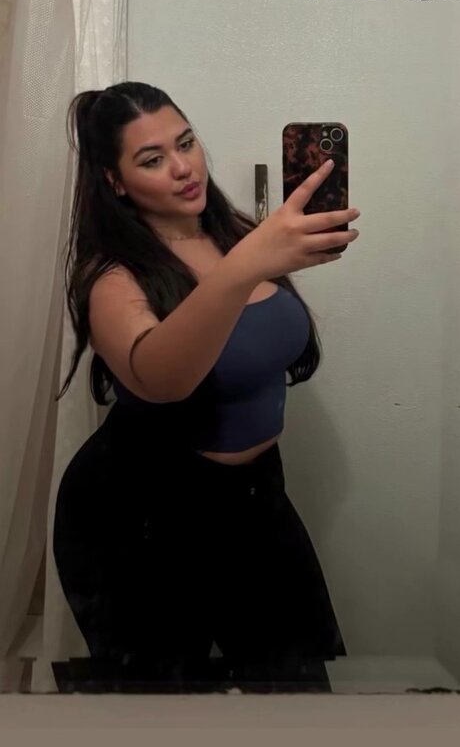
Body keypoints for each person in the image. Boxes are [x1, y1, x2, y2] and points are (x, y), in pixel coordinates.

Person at [52, 81, 360, 693]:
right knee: (162, 706)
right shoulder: (111, 274)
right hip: (141, 512)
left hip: (257, 497)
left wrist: (257, 254)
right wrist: (245, 267)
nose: (184, 167)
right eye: (152, 159)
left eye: (186, 142)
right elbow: (162, 381)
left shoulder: (234, 233)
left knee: (300, 689)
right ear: (115, 181)